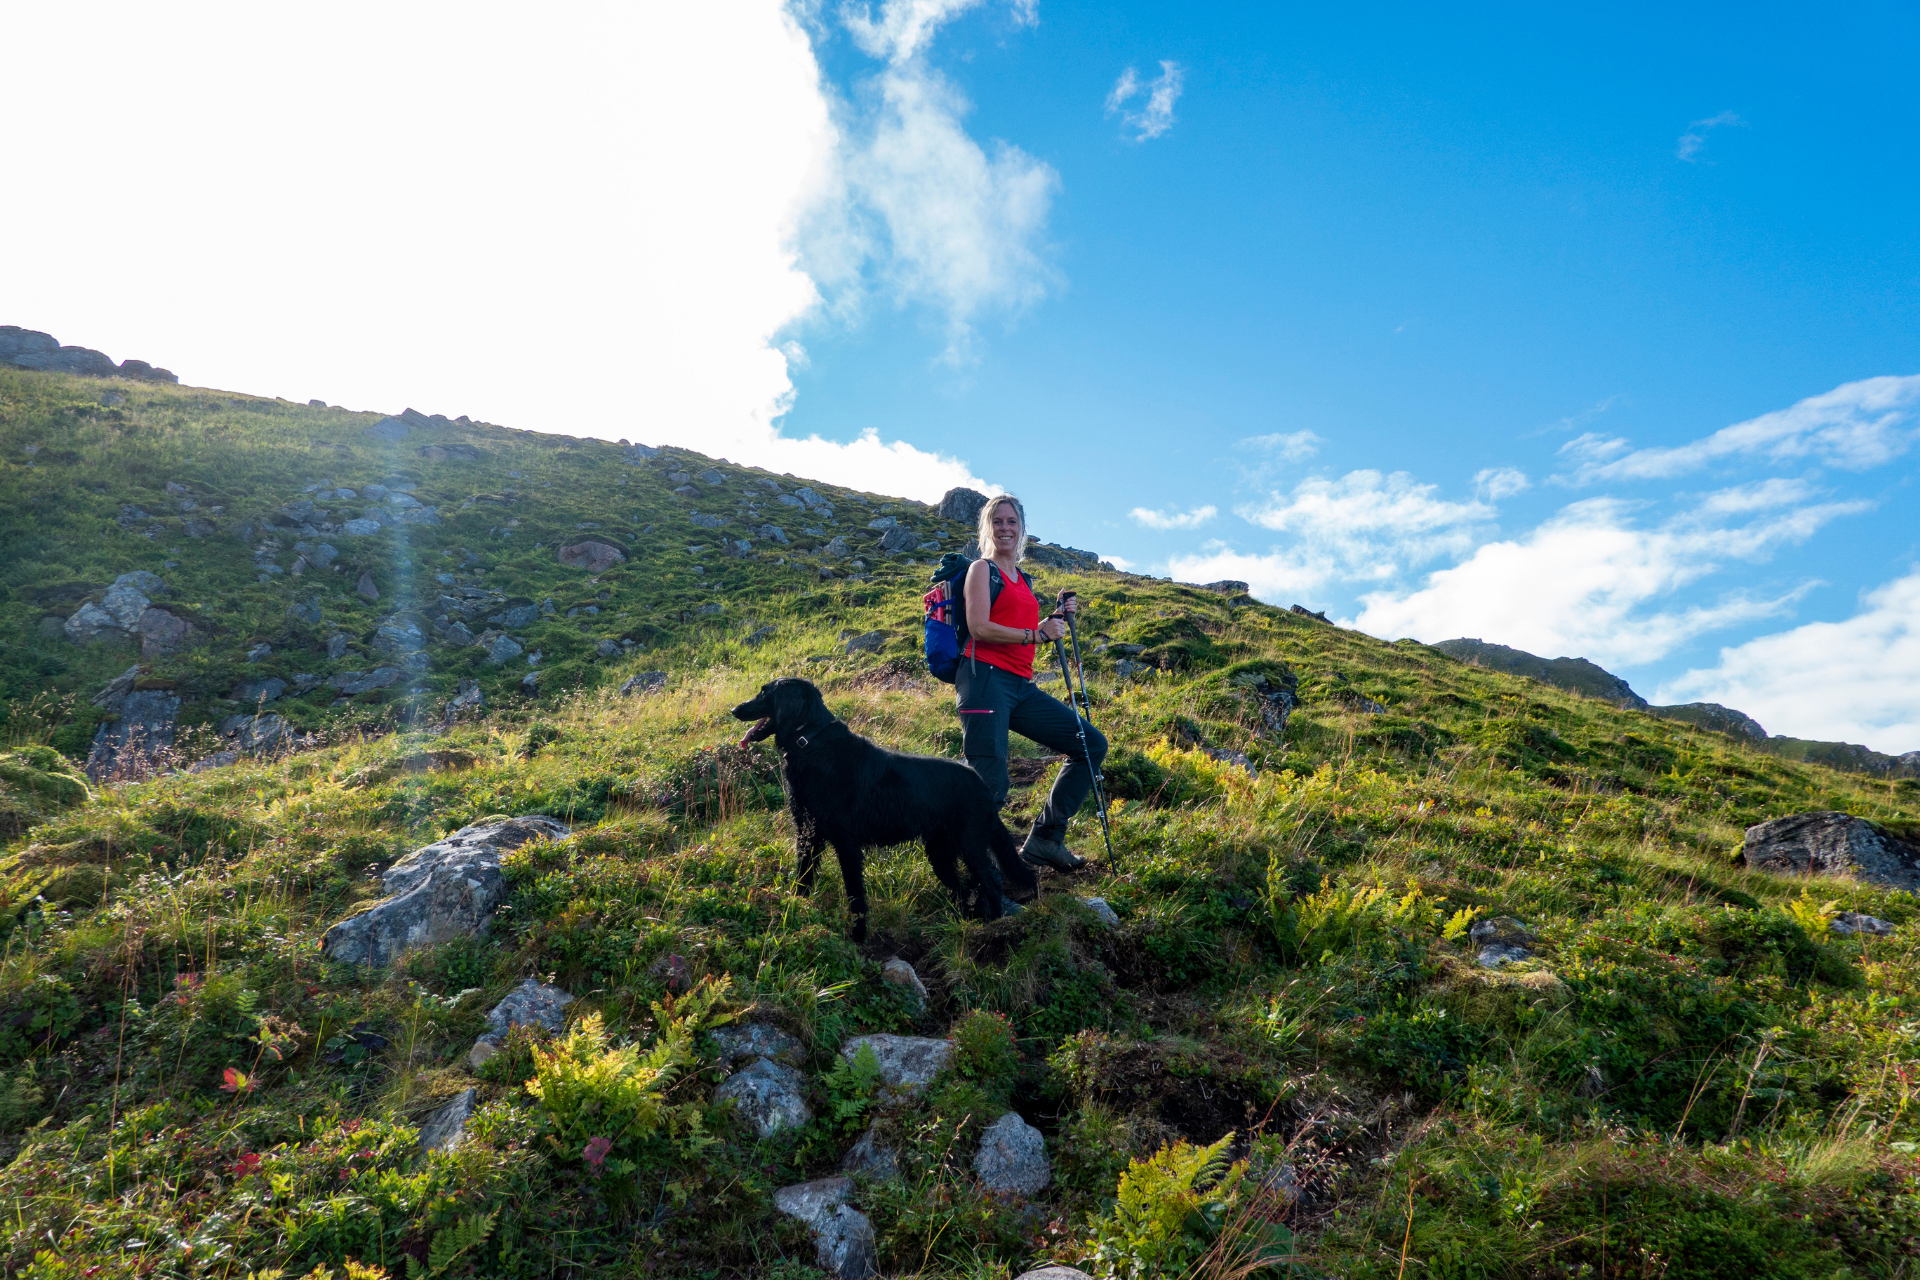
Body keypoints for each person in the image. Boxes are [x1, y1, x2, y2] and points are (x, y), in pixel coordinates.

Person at [956, 493, 1108, 872]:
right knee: (989, 782)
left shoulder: (1022, 580)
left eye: (1011, 522)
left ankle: (1044, 840)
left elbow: (1026, 627)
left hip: (1020, 687)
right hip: (983, 679)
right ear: (987, 528)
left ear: (1022, 529)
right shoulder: (981, 569)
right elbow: (979, 627)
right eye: (997, 522)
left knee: (1089, 744)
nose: (1005, 528)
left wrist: (1056, 619)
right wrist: (1035, 635)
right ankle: (980, 876)